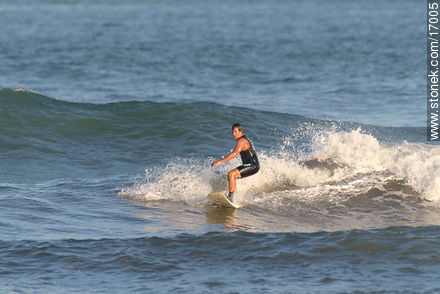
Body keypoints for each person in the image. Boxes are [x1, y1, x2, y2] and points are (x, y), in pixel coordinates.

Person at [211, 123, 260, 202]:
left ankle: (230, 198)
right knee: (232, 176)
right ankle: (234, 197)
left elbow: (233, 154)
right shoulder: (243, 138)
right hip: (252, 165)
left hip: (253, 166)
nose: (233, 134)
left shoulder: (241, 141)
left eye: (235, 132)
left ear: (241, 131)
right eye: (232, 132)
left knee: (232, 174)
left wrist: (219, 161)